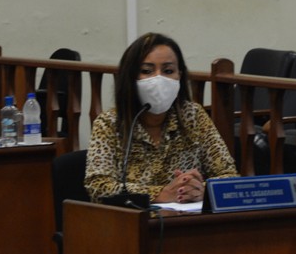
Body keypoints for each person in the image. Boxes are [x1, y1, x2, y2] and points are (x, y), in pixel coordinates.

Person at [84, 33, 237, 204]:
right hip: (133, 218)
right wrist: (159, 194)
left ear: (179, 75)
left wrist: (201, 190)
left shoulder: (193, 116)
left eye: (168, 71)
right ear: (130, 76)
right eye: (146, 71)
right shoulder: (109, 123)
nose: (158, 79)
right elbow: (98, 186)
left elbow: (229, 176)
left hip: (185, 218)